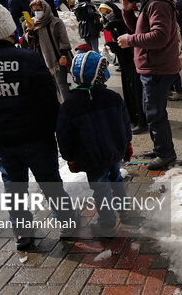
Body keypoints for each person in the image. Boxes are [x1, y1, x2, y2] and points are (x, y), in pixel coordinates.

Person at [0, 0, 77, 249]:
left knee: (13, 186)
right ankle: (66, 221)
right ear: (7, 28)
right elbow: (49, 101)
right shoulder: (27, 59)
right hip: (36, 137)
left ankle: (22, 232)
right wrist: (52, 131)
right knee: (50, 182)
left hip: (0, 139)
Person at [56, 51, 132, 237]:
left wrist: (70, 158)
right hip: (114, 152)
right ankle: (124, 209)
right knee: (116, 179)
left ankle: (107, 222)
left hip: (91, 159)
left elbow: (63, 134)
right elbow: (125, 125)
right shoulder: (114, 98)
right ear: (102, 74)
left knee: (100, 188)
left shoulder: (69, 105)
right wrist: (126, 144)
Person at [118, 0, 180, 170]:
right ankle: (161, 147)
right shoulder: (149, 3)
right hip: (152, 67)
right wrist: (127, 11)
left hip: (157, 68)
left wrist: (130, 40)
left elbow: (159, 37)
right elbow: (139, 28)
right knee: (152, 111)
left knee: (154, 113)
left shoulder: (157, 4)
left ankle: (165, 154)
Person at [100, 3, 147, 134]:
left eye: (107, 12)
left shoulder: (125, 22)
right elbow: (118, 46)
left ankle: (142, 120)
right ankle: (133, 116)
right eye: (103, 14)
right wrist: (111, 44)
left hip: (133, 61)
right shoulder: (110, 26)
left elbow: (132, 37)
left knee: (137, 90)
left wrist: (117, 26)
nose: (106, 15)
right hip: (124, 62)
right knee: (129, 89)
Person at [24, 0, 72, 102]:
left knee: (61, 84)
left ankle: (69, 107)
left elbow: (63, 39)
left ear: (45, 9)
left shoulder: (56, 22)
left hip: (57, 58)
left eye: (38, 9)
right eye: (34, 10)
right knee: (50, 86)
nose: (36, 12)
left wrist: (63, 55)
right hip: (42, 60)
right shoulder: (34, 23)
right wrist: (30, 29)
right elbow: (30, 42)